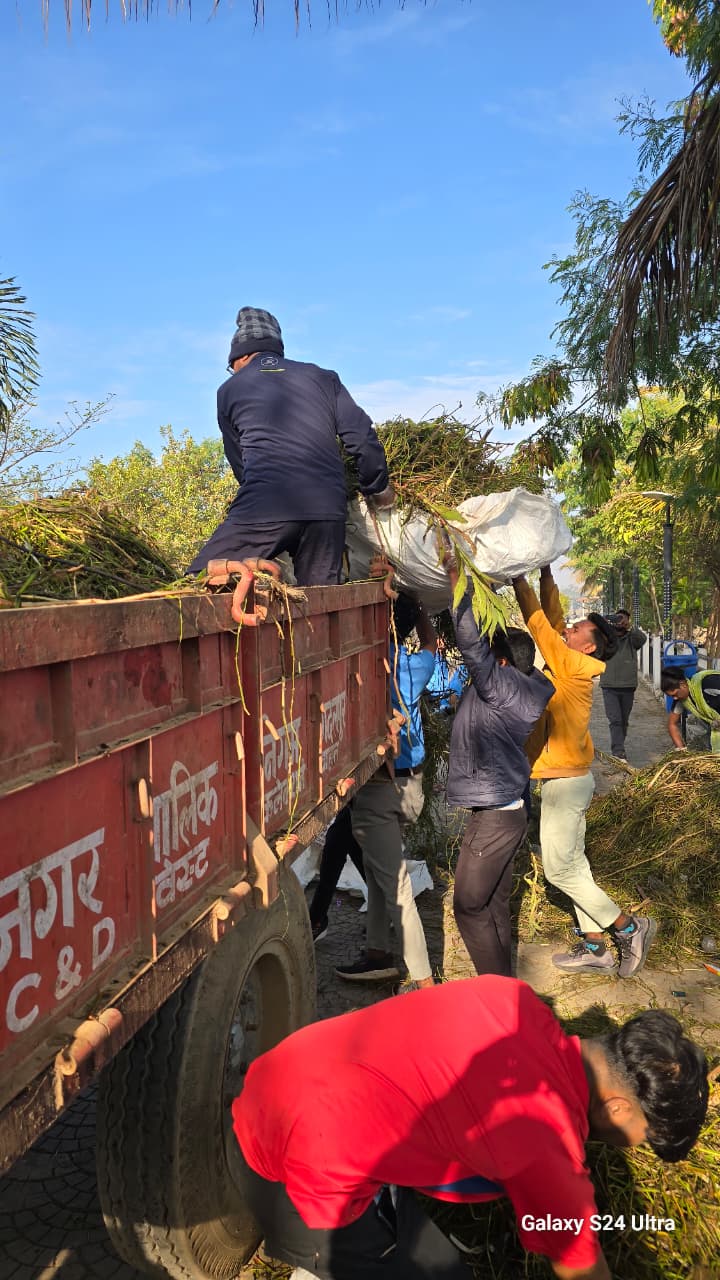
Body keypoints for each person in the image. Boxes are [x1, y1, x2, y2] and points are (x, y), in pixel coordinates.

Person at [231, 975, 709, 1280]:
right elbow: (583, 1268)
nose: (636, 1146)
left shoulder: (517, 999)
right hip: (292, 1170)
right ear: (620, 1109)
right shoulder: (546, 1140)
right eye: (646, 1136)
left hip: (278, 1077)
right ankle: (318, 1265)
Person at [512, 566, 656, 977]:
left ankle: (629, 927)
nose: (568, 630)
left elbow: (540, 626)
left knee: (559, 869)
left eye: (576, 630)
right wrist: (544, 573)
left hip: (565, 783)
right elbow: (554, 620)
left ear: (588, 646)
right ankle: (595, 948)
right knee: (575, 866)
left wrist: (518, 579)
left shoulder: (571, 664)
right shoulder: (573, 661)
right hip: (570, 779)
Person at [187, 307, 393, 585]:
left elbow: (240, 462)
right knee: (321, 599)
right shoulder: (323, 378)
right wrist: (377, 487)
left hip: (266, 504)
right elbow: (361, 437)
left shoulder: (229, 390)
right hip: (327, 509)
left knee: (198, 580)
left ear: (241, 356)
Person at [444, 563, 554, 976]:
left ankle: (497, 993)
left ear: (503, 663)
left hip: (494, 816)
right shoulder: (528, 685)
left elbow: (471, 644)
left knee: (468, 906)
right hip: (509, 809)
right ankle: (506, 987)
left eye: (494, 658)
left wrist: (458, 582)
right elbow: (491, 648)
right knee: (493, 904)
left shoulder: (500, 686)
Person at [336, 569, 437, 986]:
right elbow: (431, 644)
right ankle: (377, 952)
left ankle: (424, 983)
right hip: (412, 788)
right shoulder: (410, 667)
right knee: (379, 869)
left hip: (379, 789)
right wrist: (423, 610)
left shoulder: (361, 666)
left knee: (396, 888)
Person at [308, 805, 365, 943]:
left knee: (343, 844)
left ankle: (316, 921)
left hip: (366, 809)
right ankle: (316, 921)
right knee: (337, 845)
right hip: (352, 810)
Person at [598, 608, 647, 759]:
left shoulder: (632, 638)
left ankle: (620, 745)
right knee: (615, 719)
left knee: (624, 720)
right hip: (609, 685)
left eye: (623, 619)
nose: (620, 622)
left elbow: (642, 639)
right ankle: (618, 750)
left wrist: (630, 627)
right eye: (618, 618)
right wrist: (605, 624)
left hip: (628, 686)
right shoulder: (606, 637)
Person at [661, 666, 720, 753]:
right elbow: (672, 724)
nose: (675, 698)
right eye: (672, 696)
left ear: (683, 684)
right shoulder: (681, 700)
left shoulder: (709, 683)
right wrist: (681, 751)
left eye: (675, 694)